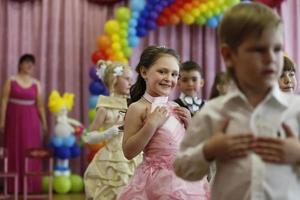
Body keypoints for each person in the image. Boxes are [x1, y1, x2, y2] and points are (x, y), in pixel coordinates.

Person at [173, 3, 300, 200]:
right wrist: (209, 150)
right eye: (258, 50)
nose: (271, 58)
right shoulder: (214, 112)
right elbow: (181, 167)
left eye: (277, 49)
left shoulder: (296, 110)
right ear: (229, 55)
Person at [117, 46, 210, 200]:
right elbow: (128, 152)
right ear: (144, 72)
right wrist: (151, 125)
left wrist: (190, 124)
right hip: (156, 182)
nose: (169, 78)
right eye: (162, 71)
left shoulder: (175, 107)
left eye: (174, 74)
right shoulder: (137, 108)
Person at [83, 60, 142, 200]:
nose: (130, 83)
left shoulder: (134, 104)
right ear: (114, 79)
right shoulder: (105, 106)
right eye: (127, 79)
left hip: (134, 153)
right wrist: (107, 133)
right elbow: (88, 137)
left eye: (131, 80)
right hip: (113, 156)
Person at [0, 54, 48, 193]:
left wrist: (44, 124)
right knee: (14, 149)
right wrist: (2, 121)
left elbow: (40, 106)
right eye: (27, 62)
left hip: (31, 121)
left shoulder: (36, 83)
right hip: (13, 119)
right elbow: (3, 102)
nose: (29, 65)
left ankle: (31, 186)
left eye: (32, 64)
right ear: (20, 64)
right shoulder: (11, 80)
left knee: (30, 149)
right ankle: (12, 186)